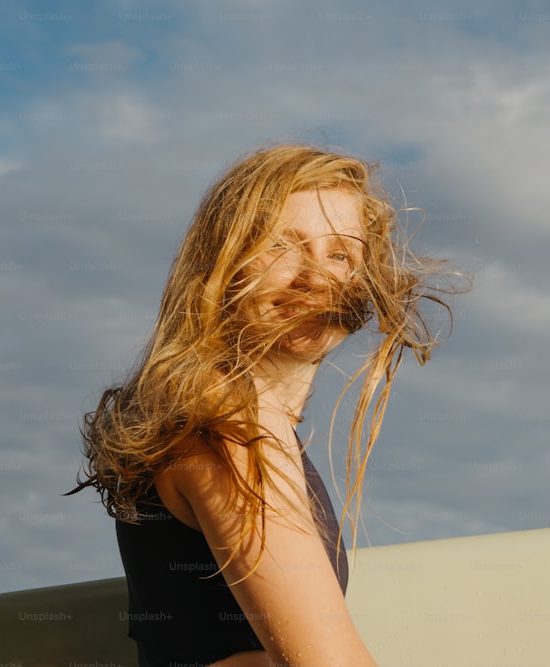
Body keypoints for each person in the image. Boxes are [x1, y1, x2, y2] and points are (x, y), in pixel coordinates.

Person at [69, 144, 457, 666]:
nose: (316, 277)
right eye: (282, 246)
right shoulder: (233, 422)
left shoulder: (230, 414)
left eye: (340, 254)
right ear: (221, 265)